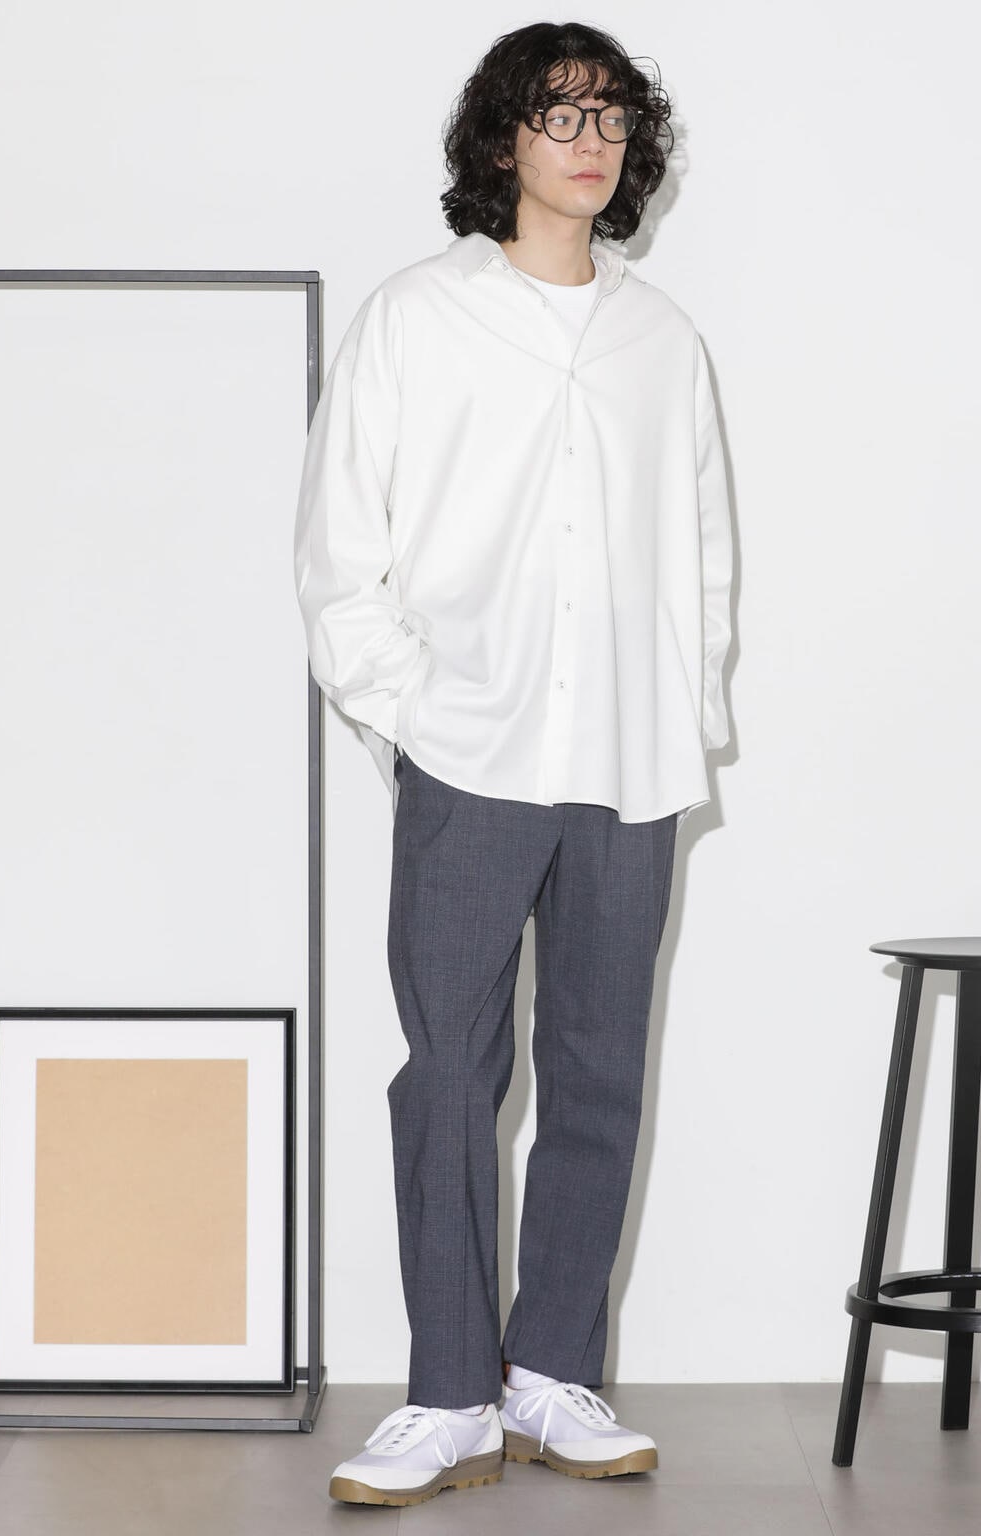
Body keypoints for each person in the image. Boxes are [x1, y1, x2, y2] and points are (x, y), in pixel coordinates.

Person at [292, 19, 732, 1509]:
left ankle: (552, 1374)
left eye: (611, 116)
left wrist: (682, 714)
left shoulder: (663, 341)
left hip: (628, 759)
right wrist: (408, 713)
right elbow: (340, 549)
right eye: (559, 115)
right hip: (469, 752)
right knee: (451, 1076)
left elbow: (704, 559)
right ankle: (448, 1396)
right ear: (502, 143)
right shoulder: (417, 318)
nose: (592, 140)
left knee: (601, 1069)